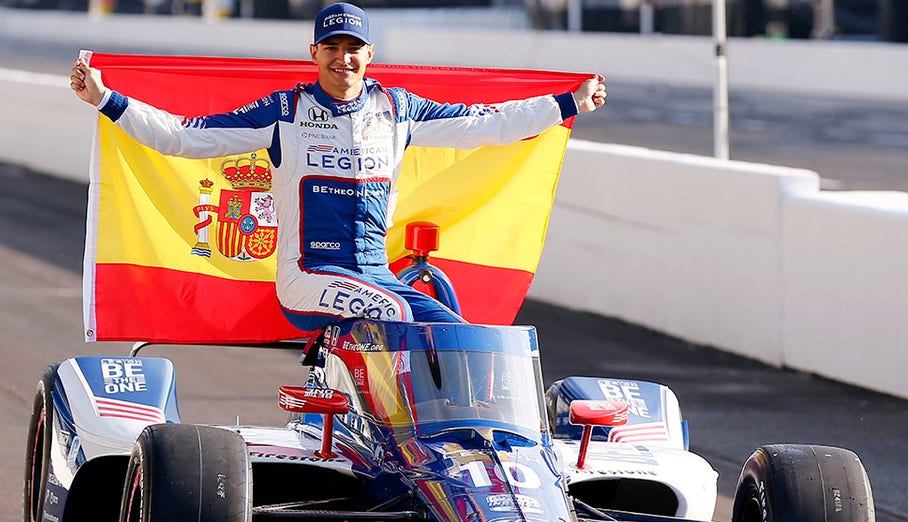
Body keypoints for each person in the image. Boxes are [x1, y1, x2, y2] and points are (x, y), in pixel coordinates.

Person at [70, 2, 605, 332]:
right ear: (314, 52)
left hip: (377, 277)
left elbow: (486, 125)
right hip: (307, 278)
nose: (342, 58)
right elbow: (183, 138)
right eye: (331, 47)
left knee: (458, 331)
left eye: (353, 48)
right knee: (402, 320)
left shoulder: (399, 109)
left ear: (370, 54)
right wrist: (106, 100)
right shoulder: (284, 112)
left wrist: (566, 104)